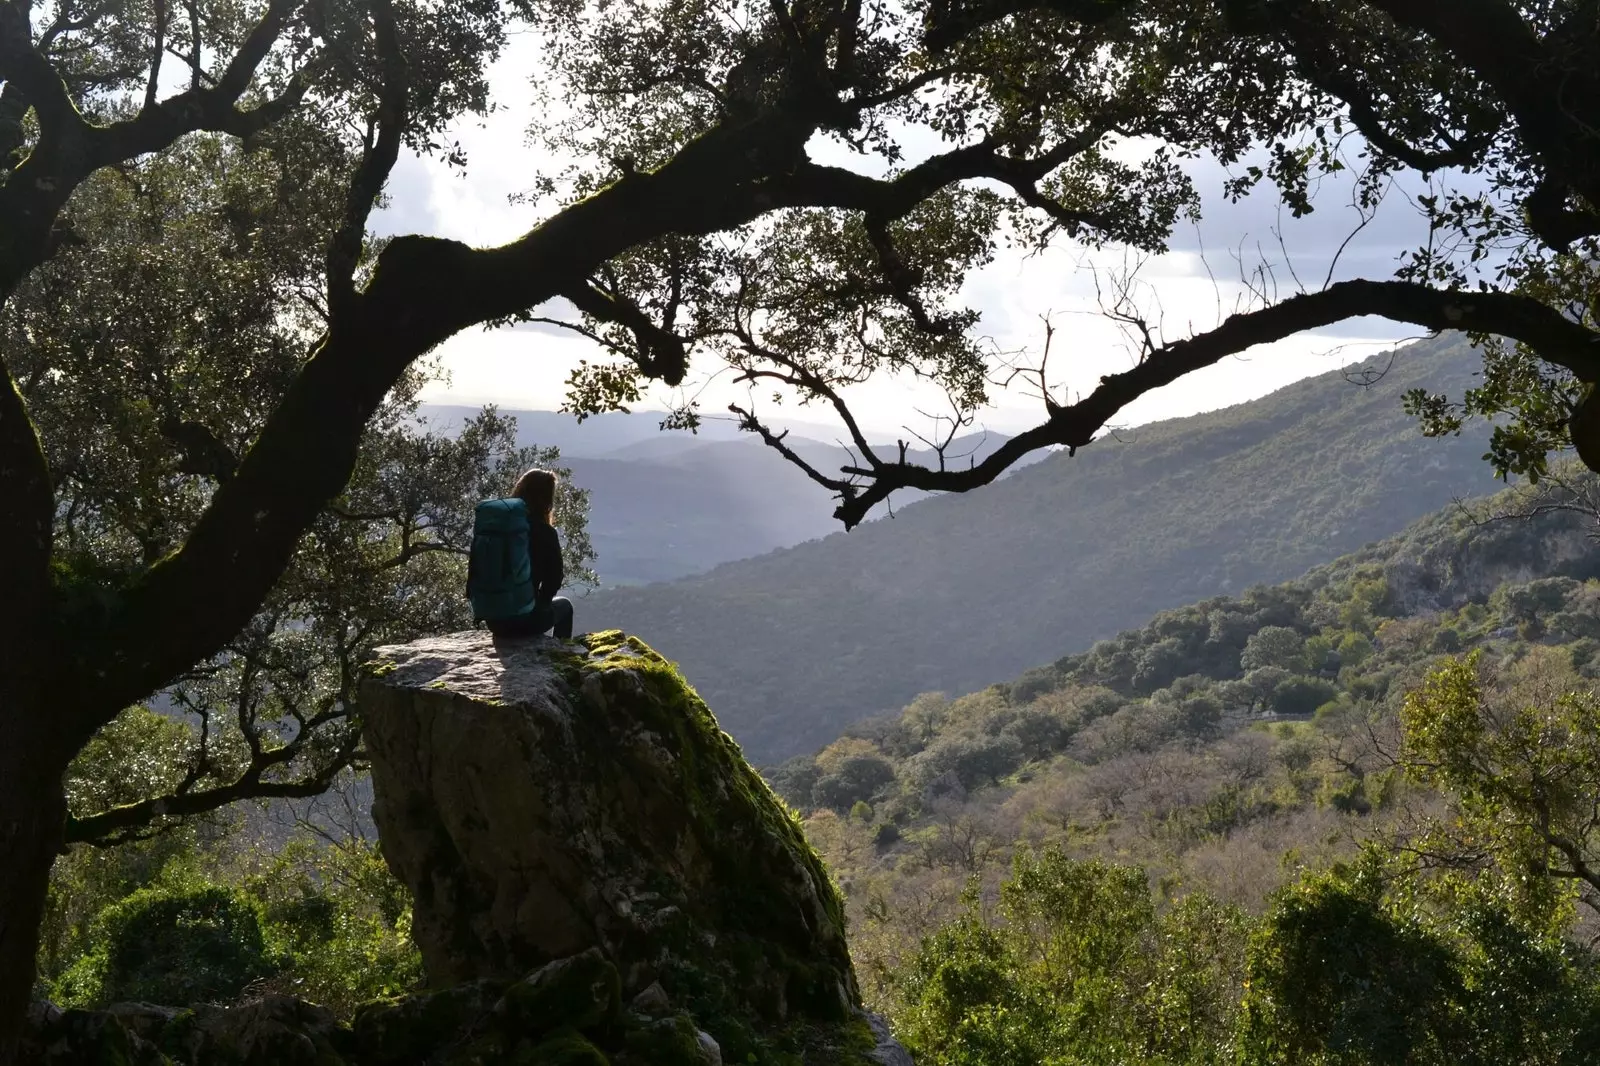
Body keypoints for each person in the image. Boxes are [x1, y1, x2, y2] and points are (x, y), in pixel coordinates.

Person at [487, 468, 574, 640]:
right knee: (565, 606)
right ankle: (560, 656)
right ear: (546, 499)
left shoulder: (498, 526)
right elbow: (554, 580)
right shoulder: (545, 532)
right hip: (524, 622)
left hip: (494, 621)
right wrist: (540, 604)